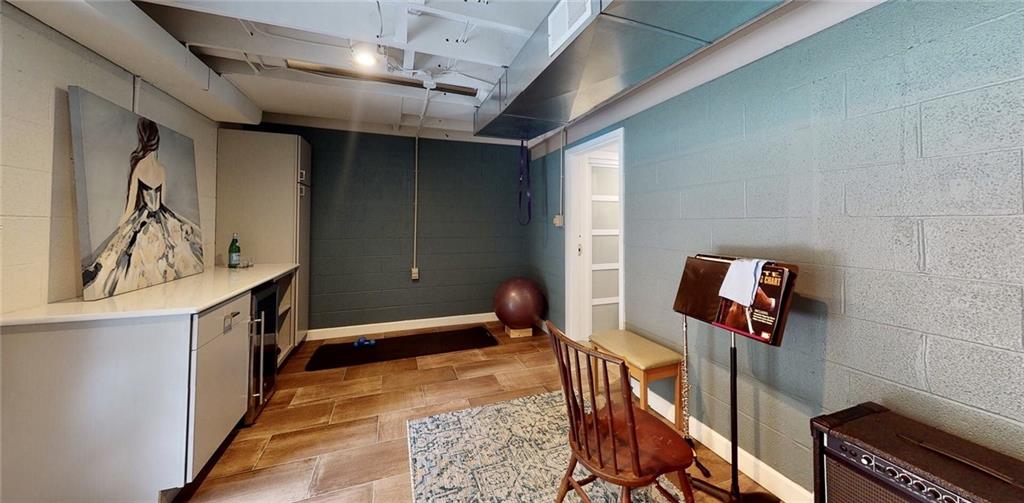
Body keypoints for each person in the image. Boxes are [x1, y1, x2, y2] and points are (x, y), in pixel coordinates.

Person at [82, 118, 204, 299]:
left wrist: (120, 232)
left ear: (142, 138)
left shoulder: (139, 166)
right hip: (161, 220)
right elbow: (162, 202)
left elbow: (131, 206)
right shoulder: (162, 169)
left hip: (144, 220)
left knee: (130, 263)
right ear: (157, 140)